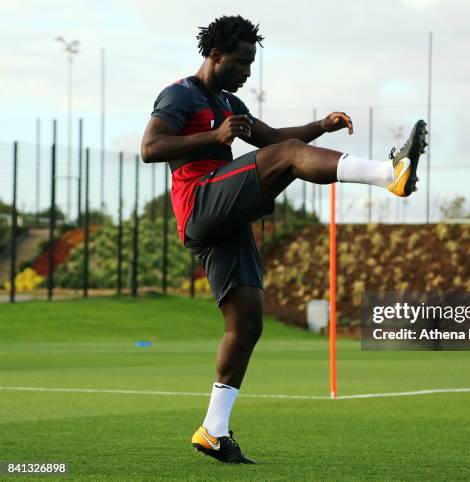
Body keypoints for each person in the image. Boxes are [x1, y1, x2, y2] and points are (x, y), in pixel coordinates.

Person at [141, 15, 427, 465]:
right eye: (240, 62)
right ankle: (387, 173)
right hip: (200, 202)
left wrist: (320, 126)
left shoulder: (228, 101)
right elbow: (150, 148)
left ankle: (212, 431)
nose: (248, 71)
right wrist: (214, 136)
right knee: (288, 159)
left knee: (247, 324)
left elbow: (273, 140)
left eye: (252, 62)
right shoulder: (180, 94)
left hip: (224, 222)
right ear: (215, 55)